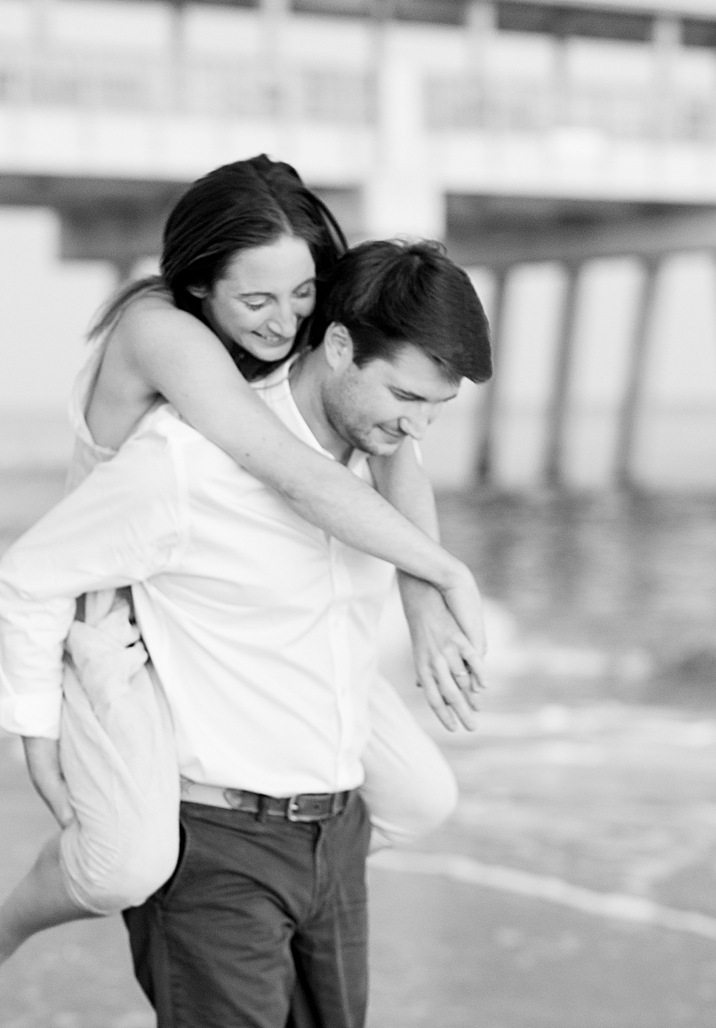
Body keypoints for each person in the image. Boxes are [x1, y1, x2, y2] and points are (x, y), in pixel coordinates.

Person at [0, 156, 479, 966]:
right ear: (197, 286)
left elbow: (392, 439)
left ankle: (268, 886)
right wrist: (33, 732)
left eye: (302, 295)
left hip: (227, 598)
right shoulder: (161, 332)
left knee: (423, 796)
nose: (284, 321)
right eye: (255, 300)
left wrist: (426, 594)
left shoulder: (302, 321)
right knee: (127, 863)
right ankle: (32, 919)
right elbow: (286, 466)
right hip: (117, 613)